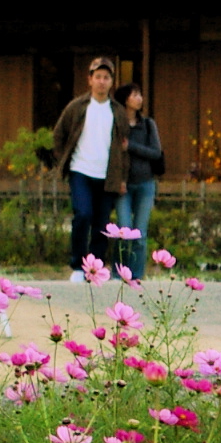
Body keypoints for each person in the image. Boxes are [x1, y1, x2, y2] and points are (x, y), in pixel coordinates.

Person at [48, 59, 130, 280]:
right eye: (98, 77)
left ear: (111, 82)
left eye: (106, 77)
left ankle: (95, 268)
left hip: (108, 175)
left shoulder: (118, 111)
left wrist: (122, 178)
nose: (102, 82)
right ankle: (77, 265)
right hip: (80, 170)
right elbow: (59, 134)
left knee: (102, 223)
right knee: (83, 214)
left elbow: (124, 147)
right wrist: (62, 158)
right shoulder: (77, 107)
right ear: (90, 80)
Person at [116, 82, 161, 280]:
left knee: (140, 235)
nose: (139, 98)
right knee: (124, 231)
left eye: (140, 95)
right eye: (135, 95)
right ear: (125, 99)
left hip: (145, 183)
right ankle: (119, 273)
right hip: (123, 185)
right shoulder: (117, 124)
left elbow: (156, 152)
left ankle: (136, 276)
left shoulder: (148, 124)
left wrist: (132, 146)